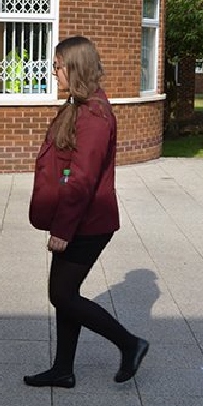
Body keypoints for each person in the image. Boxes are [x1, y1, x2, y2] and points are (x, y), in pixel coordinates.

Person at [25, 36, 149, 388]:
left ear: (75, 68)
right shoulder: (79, 105)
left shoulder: (94, 115)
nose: (53, 73)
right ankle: (63, 369)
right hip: (79, 219)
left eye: (58, 66)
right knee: (65, 293)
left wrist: (62, 230)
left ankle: (130, 344)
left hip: (88, 223)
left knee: (62, 294)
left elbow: (82, 179)